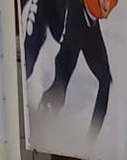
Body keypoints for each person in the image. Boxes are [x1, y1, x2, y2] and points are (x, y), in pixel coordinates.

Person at [40, 0, 114, 135]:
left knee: (105, 80)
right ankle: (44, 116)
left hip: (90, 24)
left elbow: (104, 9)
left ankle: (91, 141)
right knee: (60, 86)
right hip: (75, 16)